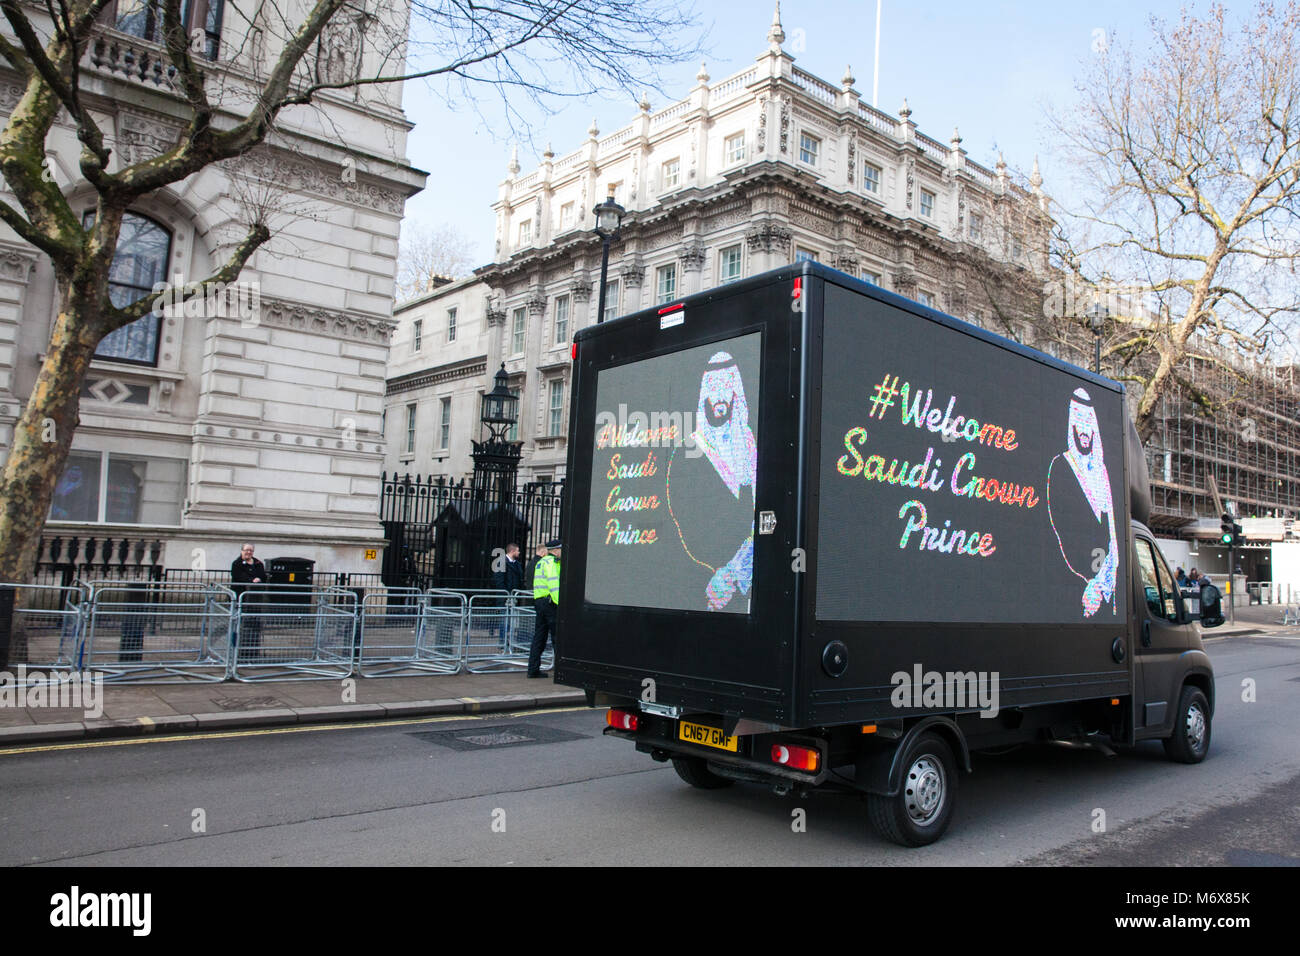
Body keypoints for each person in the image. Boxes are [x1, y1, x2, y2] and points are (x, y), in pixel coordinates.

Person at [528, 539, 561, 678]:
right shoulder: (551, 563)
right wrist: (561, 604)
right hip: (550, 603)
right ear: (555, 550)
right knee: (557, 637)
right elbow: (554, 585)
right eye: (561, 549)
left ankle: (533, 669)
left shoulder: (541, 562)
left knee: (539, 637)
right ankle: (561, 671)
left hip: (539, 601)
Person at [230, 544, 267, 660]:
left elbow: (263, 576)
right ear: (242, 551)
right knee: (238, 625)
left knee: (254, 626)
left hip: (255, 600)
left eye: (251, 550)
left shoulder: (258, 563)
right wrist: (251, 580)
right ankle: (237, 652)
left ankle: (252, 652)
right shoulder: (237, 564)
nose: (249, 552)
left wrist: (259, 580)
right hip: (240, 598)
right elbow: (238, 576)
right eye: (246, 550)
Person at [492, 543, 526, 646]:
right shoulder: (501, 562)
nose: (519, 552)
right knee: (504, 620)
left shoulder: (517, 564)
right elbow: (499, 581)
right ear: (512, 551)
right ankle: (503, 641)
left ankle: (509, 640)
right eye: (518, 550)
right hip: (505, 597)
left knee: (511, 620)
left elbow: (519, 580)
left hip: (514, 596)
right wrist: (506, 594)